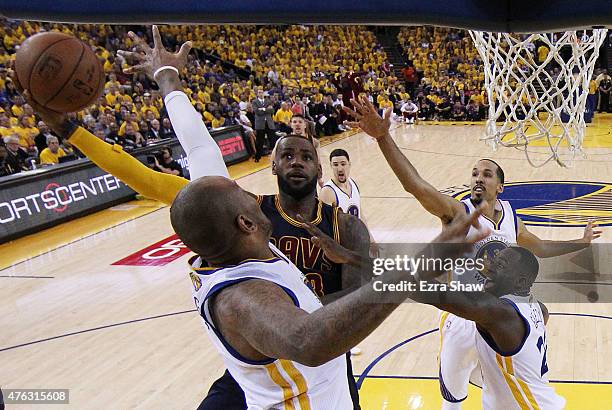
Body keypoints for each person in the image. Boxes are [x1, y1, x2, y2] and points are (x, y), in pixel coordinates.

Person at [20, 26, 368, 410]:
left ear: (318, 167)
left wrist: (166, 78)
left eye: (305, 157)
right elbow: (149, 177)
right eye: (287, 156)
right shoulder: (239, 212)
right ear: (271, 169)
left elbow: (198, 142)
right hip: (273, 351)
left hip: (321, 349)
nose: (296, 164)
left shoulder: (335, 223)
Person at [344, 95, 602, 409]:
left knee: (499, 393)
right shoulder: (457, 211)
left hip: (499, 316)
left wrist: (581, 241)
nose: (478, 178)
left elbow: (541, 247)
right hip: (461, 316)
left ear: (500, 187)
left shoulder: (510, 215)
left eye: (486, 174)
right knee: (452, 397)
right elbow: (416, 186)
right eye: (474, 174)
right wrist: (384, 138)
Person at [319, 149, 361, 218]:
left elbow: (360, 214)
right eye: (335, 165)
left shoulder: (353, 183)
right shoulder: (327, 192)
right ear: (331, 166)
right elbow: (325, 223)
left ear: (349, 164)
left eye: (343, 164)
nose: (340, 169)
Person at [251, 89, 277, 161]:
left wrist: (262, 109)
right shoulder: (254, 102)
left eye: (262, 92)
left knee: (272, 139)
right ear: (257, 94)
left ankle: (274, 155)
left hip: (269, 123)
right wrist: (266, 109)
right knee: (260, 140)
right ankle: (258, 156)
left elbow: (272, 110)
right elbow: (257, 112)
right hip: (260, 123)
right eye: (259, 92)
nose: (261, 94)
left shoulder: (268, 101)